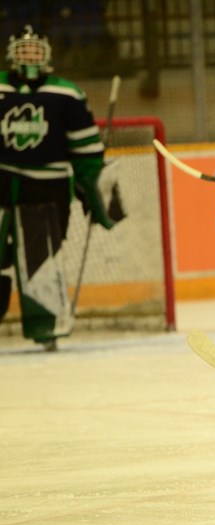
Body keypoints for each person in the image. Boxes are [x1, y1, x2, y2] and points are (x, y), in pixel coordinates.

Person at [0, 25, 112, 351]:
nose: (29, 56)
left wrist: (91, 190)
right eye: (23, 50)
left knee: (41, 262)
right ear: (11, 54)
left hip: (47, 191)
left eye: (35, 50)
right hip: (2, 183)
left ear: (47, 56)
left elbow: (86, 150)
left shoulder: (68, 94)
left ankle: (45, 327)